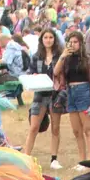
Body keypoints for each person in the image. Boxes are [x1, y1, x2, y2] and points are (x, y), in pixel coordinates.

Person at [53, 29, 90, 163]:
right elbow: (56, 72)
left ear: (81, 43)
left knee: (87, 129)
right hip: (71, 93)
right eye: (70, 42)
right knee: (76, 131)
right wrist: (63, 55)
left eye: (75, 42)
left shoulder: (88, 60)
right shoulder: (66, 59)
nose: (73, 44)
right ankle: (82, 160)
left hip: (84, 92)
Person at [21, 28, 65, 171]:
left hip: (55, 95)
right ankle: (26, 157)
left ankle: (54, 159)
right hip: (40, 94)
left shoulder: (60, 56)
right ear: (42, 40)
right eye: (45, 37)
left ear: (54, 39)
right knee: (34, 127)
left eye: (51, 37)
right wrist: (32, 76)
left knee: (55, 128)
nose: (48, 40)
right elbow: (29, 71)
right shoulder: (36, 56)